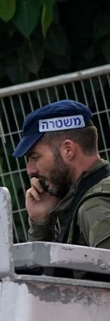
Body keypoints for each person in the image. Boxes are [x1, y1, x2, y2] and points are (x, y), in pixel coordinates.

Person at [17, 99, 110, 248]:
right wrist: (40, 223)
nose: (30, 170)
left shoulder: (94, 207)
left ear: (68, 150)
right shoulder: (88, 197)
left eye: (35, 157)